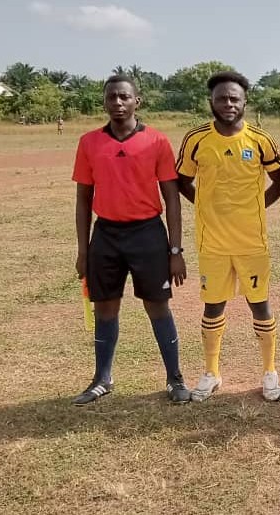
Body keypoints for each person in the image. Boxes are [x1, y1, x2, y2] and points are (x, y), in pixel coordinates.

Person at [72, 75, 190, 405]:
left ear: (137, 101)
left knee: (157, 306)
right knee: (105, 307)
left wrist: (175, 250)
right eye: (112, 97)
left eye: (124, 97)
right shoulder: (89, 142)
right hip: (106, 235)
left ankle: (175, 378)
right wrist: (83, 251)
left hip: (147, 234)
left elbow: (172, 198)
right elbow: (83, 199)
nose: (118, 103)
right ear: (104, 101)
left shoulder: (156, 141)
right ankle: (102, 378)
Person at [176, 71, 280, 402]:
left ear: (244, 101)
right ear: (211, 102)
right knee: (213, 305)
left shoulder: (260, 140)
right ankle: (211, 373)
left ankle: (269, 372)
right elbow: (181, 180)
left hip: (251, 241)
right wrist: (204, 207)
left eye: (234, 98)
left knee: (260, 304)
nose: (228, 103)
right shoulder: (196, 139)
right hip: (212, 242)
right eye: (221, 98)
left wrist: (256, 207)